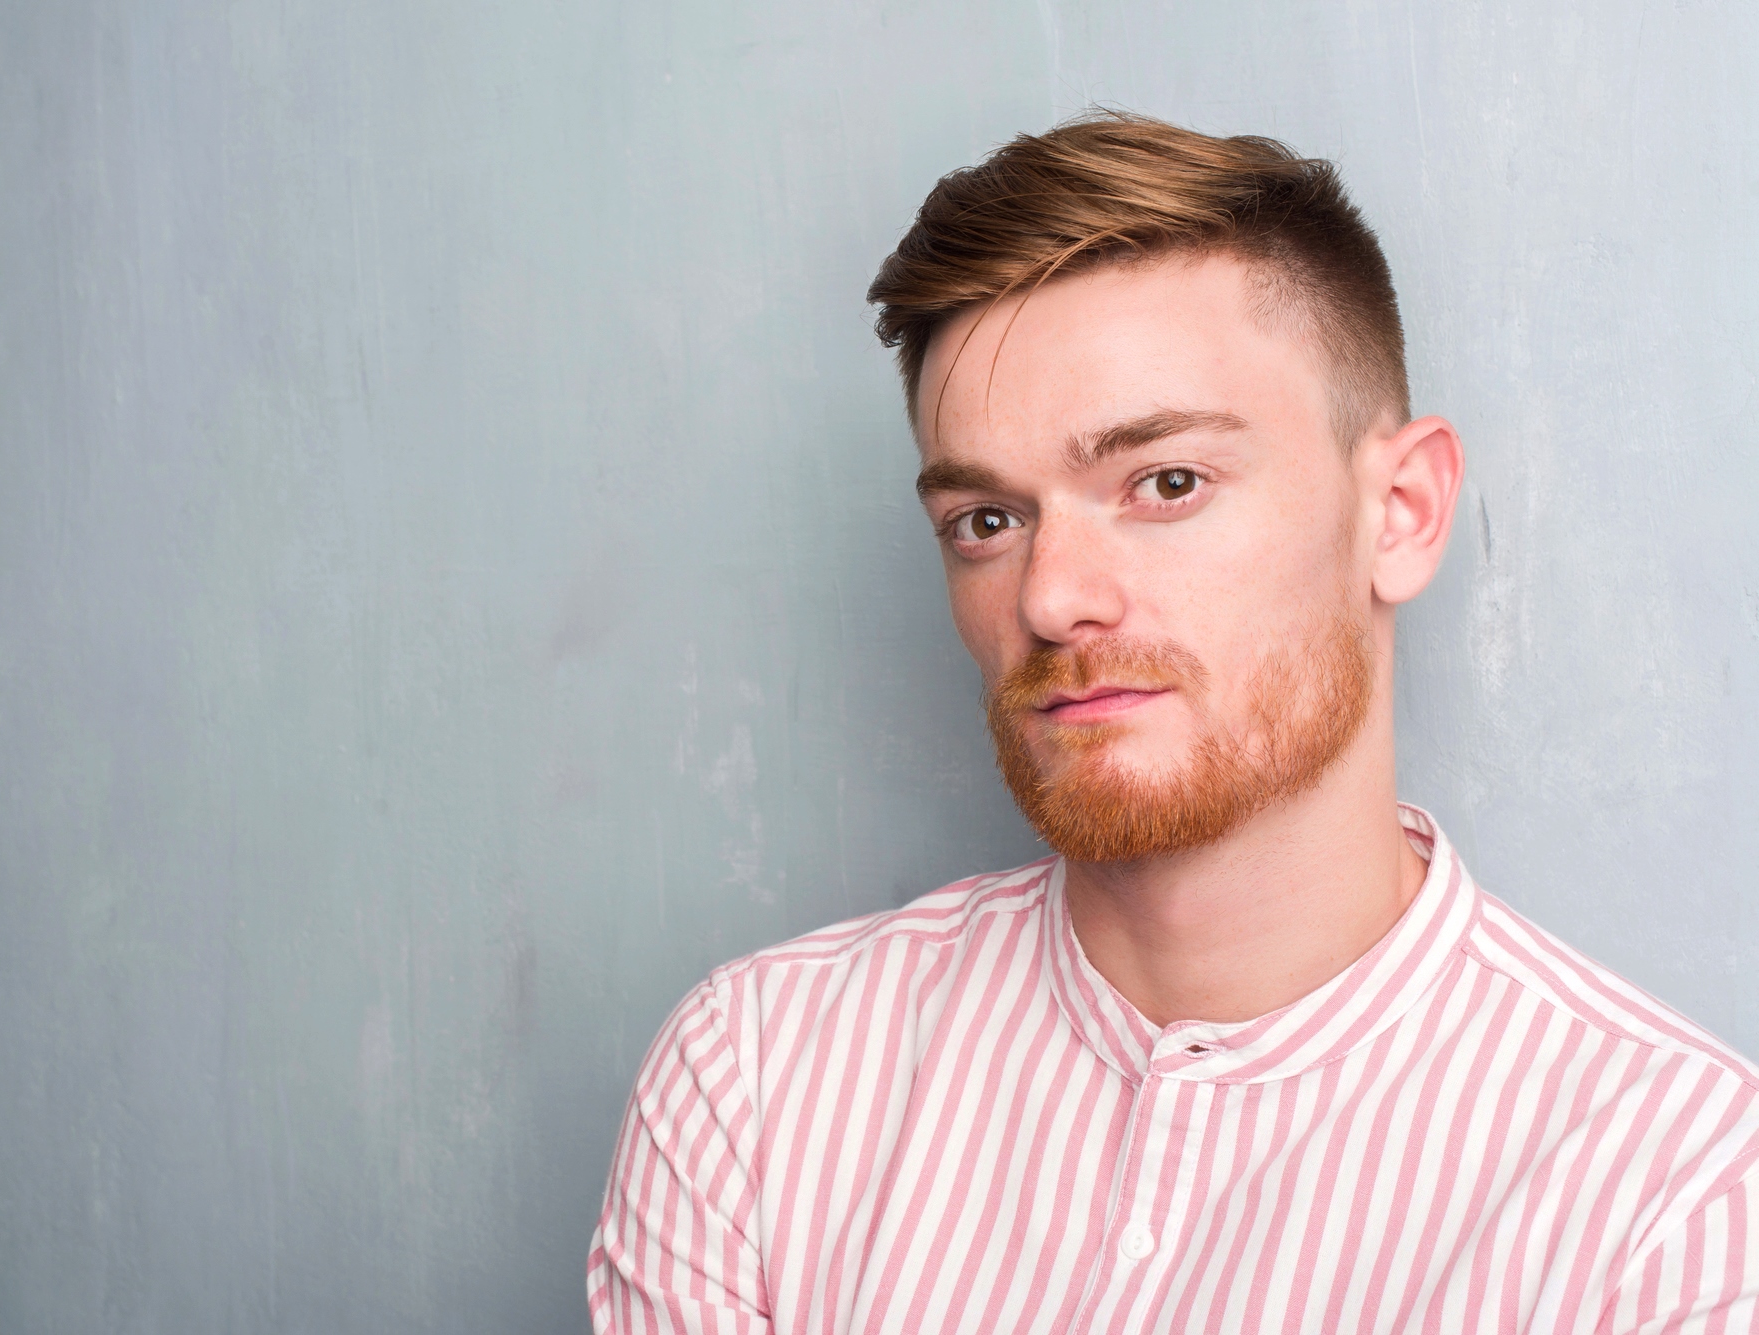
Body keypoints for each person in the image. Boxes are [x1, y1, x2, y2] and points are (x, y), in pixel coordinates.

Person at [587, 113, 1759, 1333]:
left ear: (1400, 512)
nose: (1049, 598)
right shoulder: (763, 1082)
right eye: (986, 520)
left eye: (1164, 484)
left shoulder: (1673, 1206)